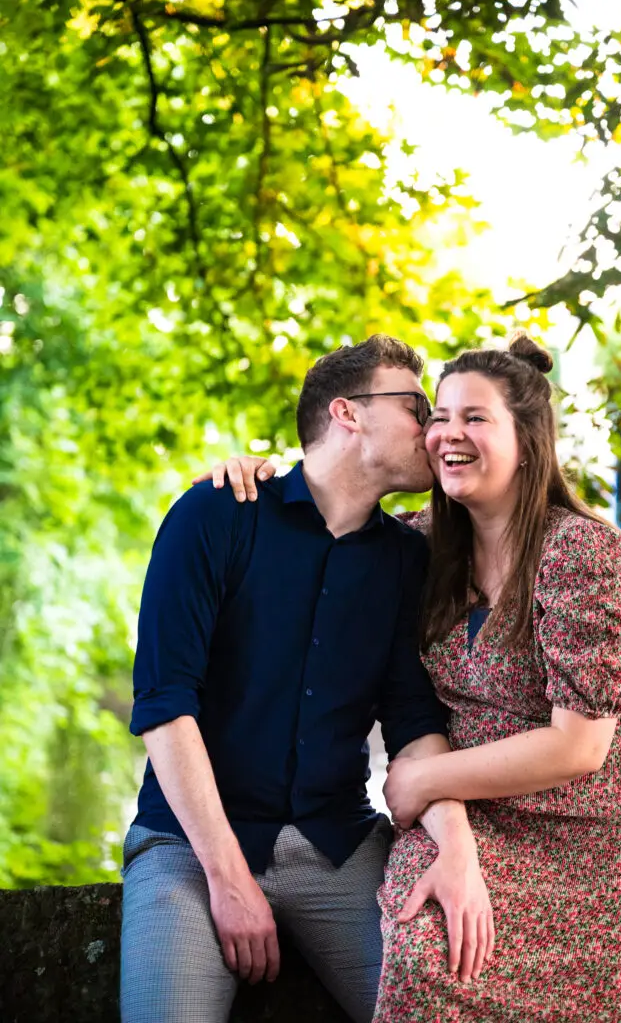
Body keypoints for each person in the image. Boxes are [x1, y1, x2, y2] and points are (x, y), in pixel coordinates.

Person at [219, 332, 621, 1023]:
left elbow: (580, 748)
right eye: (438, 416)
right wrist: (254, 473)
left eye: (474, 418)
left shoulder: (579, 551)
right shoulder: (419, 547)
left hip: (592, 821)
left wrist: (423, 780)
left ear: (526, 442)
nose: (446, 434)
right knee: (418, 942)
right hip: (479, 809)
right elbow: (328, 501)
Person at [120, 334, 494, 1023]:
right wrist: (229, 880)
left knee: (450, 1006)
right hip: (189, 846)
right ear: (348, 414)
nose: (434, 427)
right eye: (417, 406)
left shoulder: (408, 561)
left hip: (336, 845)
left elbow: (413, 723)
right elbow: (165, 706)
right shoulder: (214, 515)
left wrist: (458, 850)